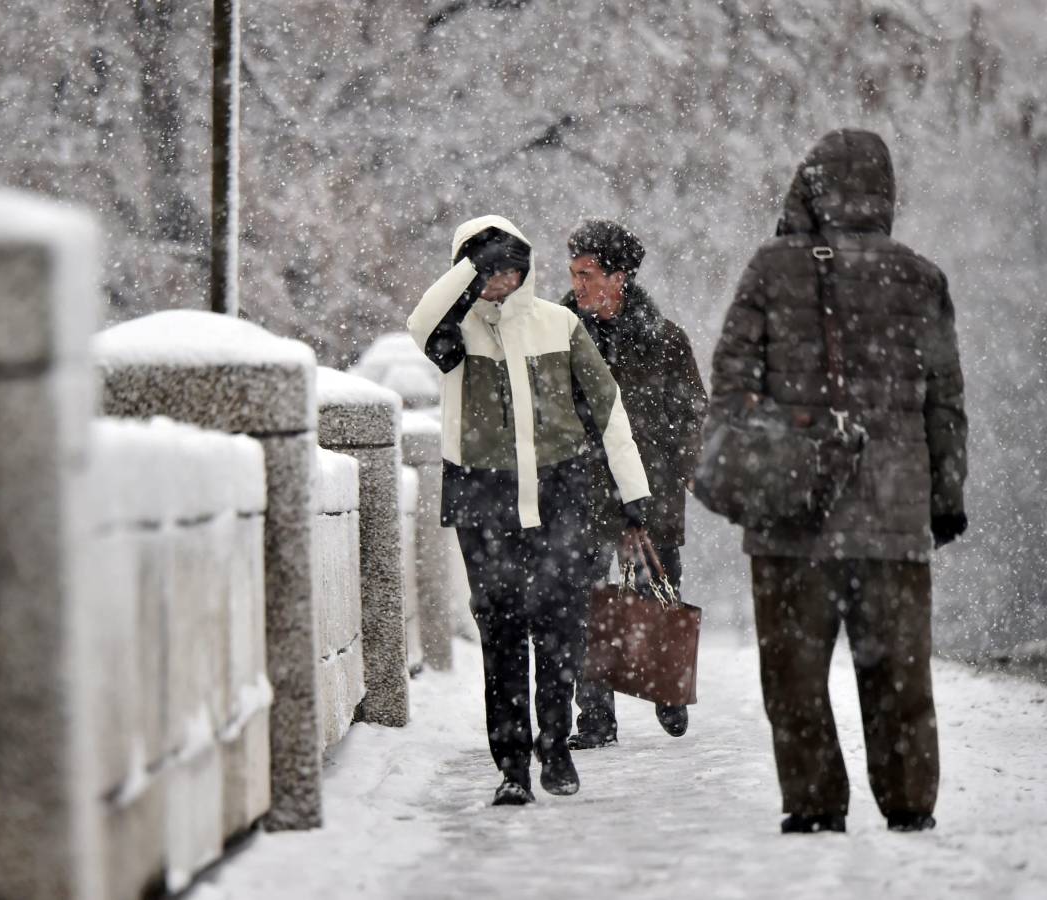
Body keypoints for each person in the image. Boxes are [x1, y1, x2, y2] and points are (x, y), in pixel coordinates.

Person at [708, 129, 968, 834]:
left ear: (810, 185)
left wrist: (766, 453)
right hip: (894, 513)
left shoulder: (771, 269)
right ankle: (910, 800)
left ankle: (816, 800)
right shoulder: (921, 278)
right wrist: (943, 500)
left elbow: (731, 383)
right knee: (899, 675)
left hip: (792, 516)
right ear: (885, 193)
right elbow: (943, 403)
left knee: (793, 675)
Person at [407, 215, 655, 806]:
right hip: (482, 502)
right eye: (489, 273)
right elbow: (418, 324)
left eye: (511, 270)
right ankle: (512, 763)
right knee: (502, 632)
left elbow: (609, 408)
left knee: (560, 624)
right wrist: (473, 266)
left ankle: (555, 741)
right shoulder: (456, 335)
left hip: (560, 497)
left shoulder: (559, 323)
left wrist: (633, 495)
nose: (501, 282)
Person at [560, 219, 708, 748]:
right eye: (574, 273)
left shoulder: (665, 340)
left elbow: (693, 411)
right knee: (584, 601)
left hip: (653, 487)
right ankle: (595, 719)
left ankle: (667, 687)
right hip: (581, 487)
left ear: (620, 277)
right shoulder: (560, 335)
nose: (578, 285)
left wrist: (691, 468)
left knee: (657, 594)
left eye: (589, 274)